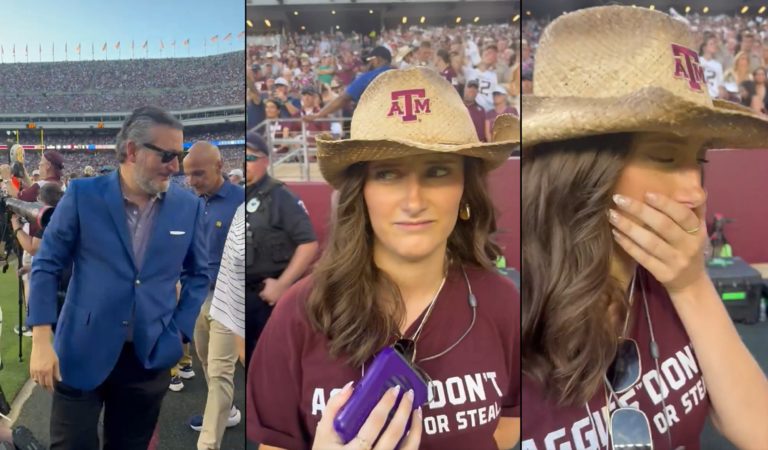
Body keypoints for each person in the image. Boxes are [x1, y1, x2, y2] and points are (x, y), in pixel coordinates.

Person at [520, 6, 768, 449]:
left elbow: (758, 430)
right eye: (666, 157)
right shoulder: (508, 316)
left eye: (700, 158)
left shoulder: (667, 282)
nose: (696, 191)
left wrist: (691, 284)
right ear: (580, 169)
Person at [247, 67, 520, 450]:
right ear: (362, 192)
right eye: (388, 174)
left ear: (465, 190)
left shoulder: (504, 303)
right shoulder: (298, 314)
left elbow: (511, 420)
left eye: (438, 171)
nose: (413, 201)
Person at [26, 105, 210, 450]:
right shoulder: (83, 195)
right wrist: (40, 338)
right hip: (80, 349)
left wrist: (180, 330)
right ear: (131, 151)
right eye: (167, 155)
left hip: (149, 356)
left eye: (180, 155)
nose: (177, 166)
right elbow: (47, 264)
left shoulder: (189, 206)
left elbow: (199, 273)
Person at [182, 141, 244, 449]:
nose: (191, 181)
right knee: (206, 360)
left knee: (220, 372)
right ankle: (228, 411)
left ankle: (208, 444)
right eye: (188, 175)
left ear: (219, 167)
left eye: (198, 174)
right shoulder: (190, 202)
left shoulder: (242, 201)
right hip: (198, 296)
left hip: (229, 298)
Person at [245, 131, 318, 367]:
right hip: (238, 298)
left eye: (250, 158)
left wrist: (283, 284)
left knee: (271, 364)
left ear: (265, 160)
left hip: (266, 298)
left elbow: (308, 244)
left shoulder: (280, 196)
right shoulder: (235, 194)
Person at [304, 46, 394, 122]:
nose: (368, 64)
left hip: (375, 125)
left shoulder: (368, 77)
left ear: (376, 60)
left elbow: (343, 98)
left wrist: (318, 115)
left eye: (369, 61)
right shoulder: (401, 74)